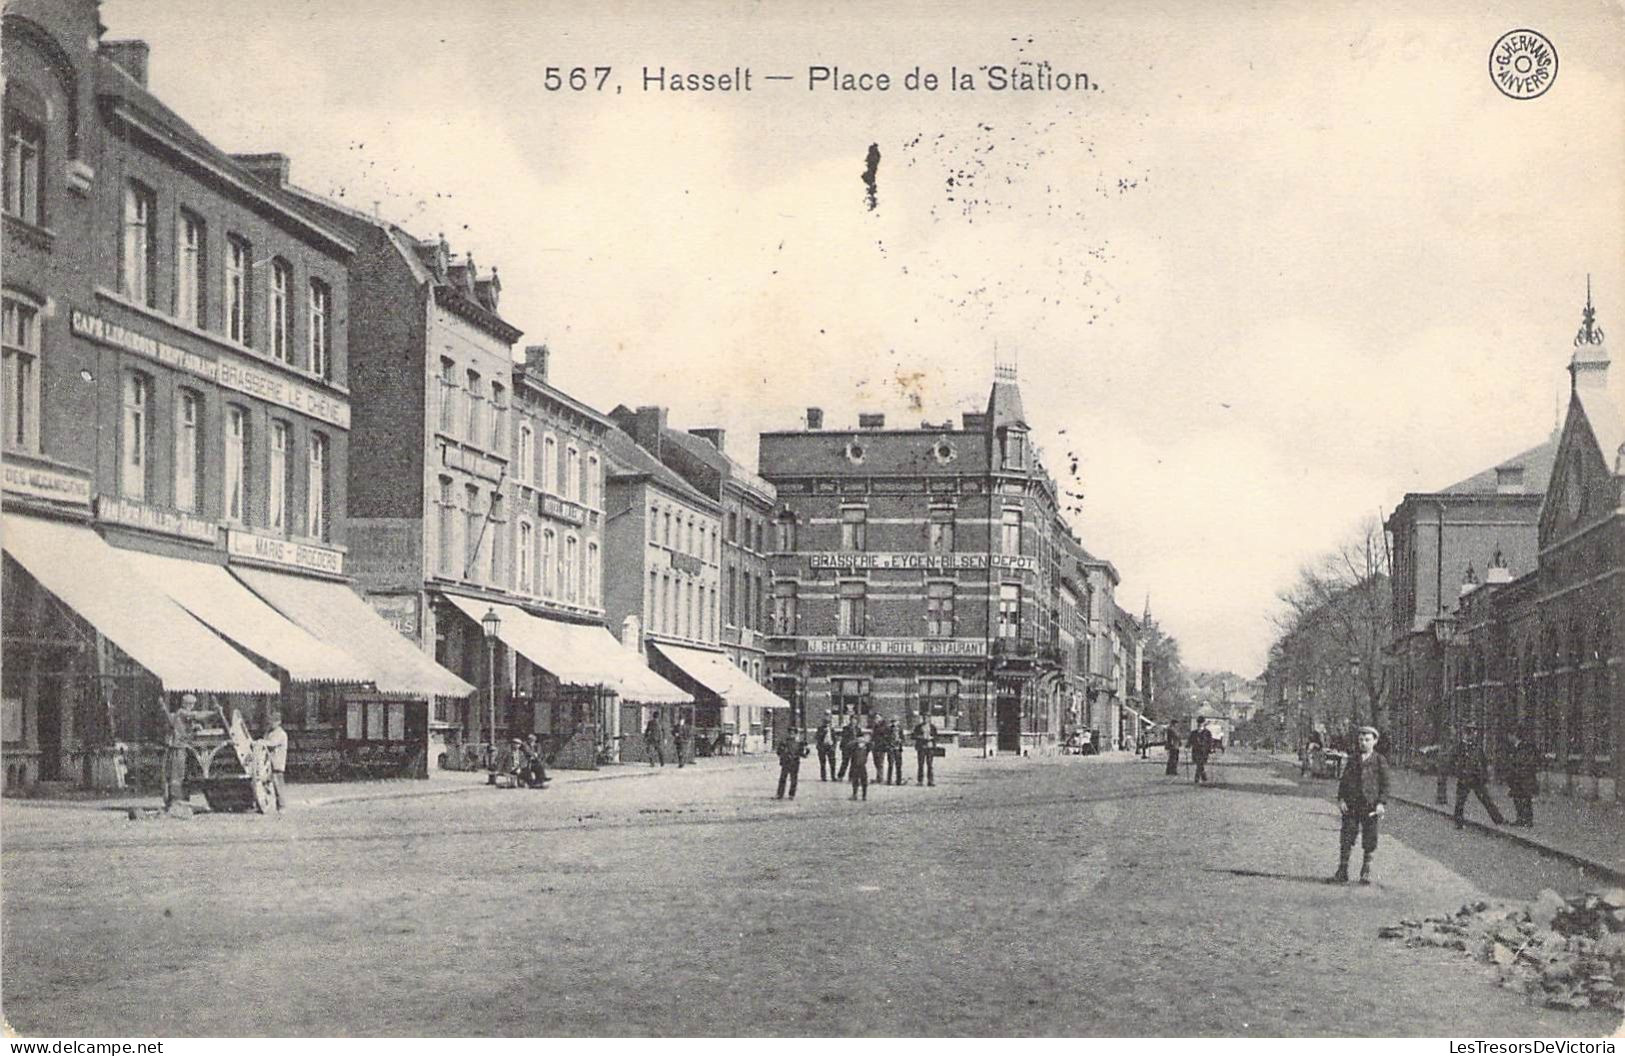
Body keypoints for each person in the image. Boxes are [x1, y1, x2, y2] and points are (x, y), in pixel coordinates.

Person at [1331, 725, 1389, 884]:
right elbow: (1344, 780)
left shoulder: (1379, 760)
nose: (1363, 743)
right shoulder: (1353, 759)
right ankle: (1342, 870)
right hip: (1352, 804)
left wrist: (1381, 803)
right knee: (1347, 836)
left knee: (1370, 838)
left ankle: (1366, 871)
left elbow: (1385, 784)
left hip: (1370, 806)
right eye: (1361, 739)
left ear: (1375, 741)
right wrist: (1341, 799)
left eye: (1367, 740)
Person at [163, 694, 216, 814]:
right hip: (177, 747)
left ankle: (182, 800)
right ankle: (175, 801)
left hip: (184, 747)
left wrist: (195, 727)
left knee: (184, 775)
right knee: (177, 774)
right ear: (187, 704)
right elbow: (197, 715)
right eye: (191, 705)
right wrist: (214, 713)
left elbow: (190, 724)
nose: (192, 707)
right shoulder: (182, 712)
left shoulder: (184, 716)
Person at [1451, 726, 1506, 828]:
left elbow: (1483, 761)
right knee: (1460, 801)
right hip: (1464, 777)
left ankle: (1498, 819)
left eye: (1473, 733)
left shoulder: (1477, 747)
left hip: (1476, 777)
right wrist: (1459, 771)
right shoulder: (1460, 747)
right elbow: (1453, 761)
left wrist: (1484, 774)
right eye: (1469, 733)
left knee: (1485, 798)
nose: (1471, 736)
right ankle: (1458, 821)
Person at [1504, 723, 1539, 827]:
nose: (1508, 738)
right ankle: (1521, 819)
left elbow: (1524, 762)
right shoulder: (1516, 747)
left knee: (1525, 799)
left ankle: (1527, 820)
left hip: (1523, 778)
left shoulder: (1524, 748)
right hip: (1517, 778)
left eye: (1509, 735)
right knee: (1518, 799)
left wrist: (1518, 772)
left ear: (1514, 735)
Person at [260, 709, 289, 812]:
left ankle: (281, 807)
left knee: (278, 786)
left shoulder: (281, 734)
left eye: (273, 721)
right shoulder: (269, 732)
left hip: (277, 763)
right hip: (268, 763)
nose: (271, 723)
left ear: (279, 722)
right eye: (270, 721)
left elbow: (272, 743)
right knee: (266, 784)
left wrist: (261, 742)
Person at [775, 725, 808, 799]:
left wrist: (806, 751)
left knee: (794, 779)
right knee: (783, 778)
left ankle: (791, 794)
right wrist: (783, 753)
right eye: (790, 733)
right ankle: (780, 794)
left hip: (795, 763)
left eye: (793, 733)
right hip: (786, 762)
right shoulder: (784, 742)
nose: (791, 735)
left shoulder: (799, 743)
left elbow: (802, 754)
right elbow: (779, 752)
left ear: (796, 734)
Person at [912, 715, 938, 787]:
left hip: (930, 747)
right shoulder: (918, 727)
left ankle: (930, 780)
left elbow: (936, 736)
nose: (925, 719)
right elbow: (913, 736)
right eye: (924, 718)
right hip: (921, 747)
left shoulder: (932, 727)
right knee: (920, 764)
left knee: (929, 764)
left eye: (927, 718)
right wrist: (920, 737)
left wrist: (932, 738)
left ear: (929, 719)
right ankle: (920, 781)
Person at [849, 722, 872, 801]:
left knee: (864, 781)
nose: (861, 743)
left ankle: (864, 795)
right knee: (855, 781)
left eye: (862, 742)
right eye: (860, 742)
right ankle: (855, 794)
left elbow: (871, 745)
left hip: (862, 766)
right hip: (855, 766)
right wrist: (856, 741)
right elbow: (849, 746)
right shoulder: (854, 747)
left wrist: (866, 741)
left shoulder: (866, 748)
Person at [1187, 718, 1214, 785]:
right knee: (1199, 764)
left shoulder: (1207, 732)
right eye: (1198, 723)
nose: (1199, 724)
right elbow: (1190, 740)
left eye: (1201, 723)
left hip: (1204, 751)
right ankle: (1204, 777)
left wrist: (1211, 748)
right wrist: (1187, 746)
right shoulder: (1194, 732)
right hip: (1196, 750)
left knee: (1200, 763)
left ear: (1203, 724)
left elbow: (1210, 741)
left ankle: (1197, 778)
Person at [815, 713, 837, 781]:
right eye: (826, 722)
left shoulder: (832, 729)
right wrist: (823, 732)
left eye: (829, 722)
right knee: (823, 763)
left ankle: (833, 776)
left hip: (830, 747)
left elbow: (834, 738)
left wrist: (834, 746)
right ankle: (823, 777)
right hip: (822, 747)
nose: (827, 724)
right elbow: (817, 737)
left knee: (832, 763)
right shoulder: (820, 729)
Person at [886, 716, 907, 785]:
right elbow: (885, 738)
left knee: (898, 765)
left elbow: (903, 739)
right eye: (893, 722)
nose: (894, 723)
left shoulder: (900, 729)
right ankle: (889, 780)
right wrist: (888, 744)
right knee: (890, 764)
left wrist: (900, 740)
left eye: (895, 721)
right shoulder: (888, 729)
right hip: (891, 748)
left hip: (898, 748)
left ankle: (899, 780)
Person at [837, 714, 859, 779]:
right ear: (850, 720)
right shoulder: (846, 728)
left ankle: (851, 776)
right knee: (845, 762)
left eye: (855, 720)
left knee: (854, 763)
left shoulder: (858, 729)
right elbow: (844, 738)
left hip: (855, 748)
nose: (854, 721)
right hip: (847, 748)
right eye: (852, 719)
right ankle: (840, 775)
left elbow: (859, 737)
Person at [870, 717, 889, 783]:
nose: (875, 719)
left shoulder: (883, 726)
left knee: (880, 762)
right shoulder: (875, 726)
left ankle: (880, 778)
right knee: (876, 762)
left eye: (877, 718)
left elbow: (882, 733)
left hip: (881, 747)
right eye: (875, 718)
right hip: (875, 747)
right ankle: (878, 777)